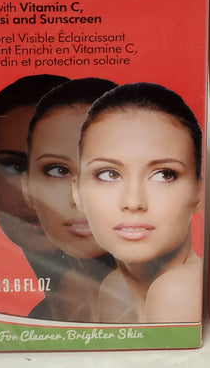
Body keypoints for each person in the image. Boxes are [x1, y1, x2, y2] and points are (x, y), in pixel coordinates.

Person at [73, 82, 203, 324]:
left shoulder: (179, 290)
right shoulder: (115, 290)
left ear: (199, 192)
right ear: (76, 192)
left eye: (164, 174)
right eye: (108, 174)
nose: (134, 202)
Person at [21, 77, 117, 321]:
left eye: (107, 173)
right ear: (26, 187)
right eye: (58, 170)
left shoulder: (163, 300)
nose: (79, 198)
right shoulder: (58, 301)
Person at [0, 74, 69, 318]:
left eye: (59, 169)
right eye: (14, 168)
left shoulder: (130, 306)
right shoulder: (45, 316)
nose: (34, 192)